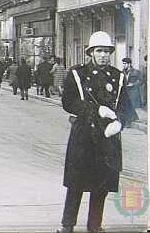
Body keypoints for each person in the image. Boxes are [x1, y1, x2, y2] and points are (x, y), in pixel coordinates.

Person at [56, 31, 135, 233]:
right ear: (90, 53)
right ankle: (67, 225)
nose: (103, 55)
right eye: (99, 51)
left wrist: (120, 123)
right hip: (83, 136)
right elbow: (68, 102)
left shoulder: (117, 76)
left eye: (107, 51)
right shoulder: (77, 74)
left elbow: (127, 108)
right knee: (76, 184)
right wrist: (95, 109)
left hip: (108, 137)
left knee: (101, 185)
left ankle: (95, 225)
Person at [121, 57, 141, 127]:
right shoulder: (122, 72)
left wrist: (133, 84)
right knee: (127, 106)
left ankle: (129, 122)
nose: (123, 65)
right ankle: (129, 120)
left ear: (129, 64)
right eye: (123, 64)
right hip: (125, 92)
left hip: (133, 92)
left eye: (125, 64)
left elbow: (141, 81)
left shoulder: (136, 72)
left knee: (131, 106)